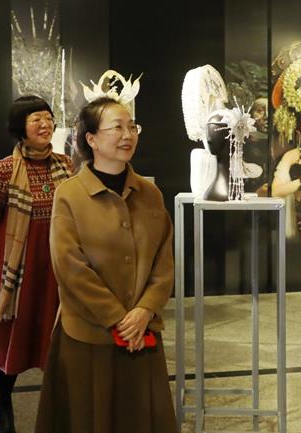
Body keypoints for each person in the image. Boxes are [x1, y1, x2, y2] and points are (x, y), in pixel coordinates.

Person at [34, 96, 177, 433]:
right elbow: (70, 267)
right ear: (92, 139)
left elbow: (164, 262)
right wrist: (117, 318)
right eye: (117, 127)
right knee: (89, 417)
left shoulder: (150, 194)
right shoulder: (70, 194)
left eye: (132, 127)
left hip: (142, 332)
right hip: (88, 334)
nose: (127, 135)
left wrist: (144, 310)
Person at [0, 95, 73, 433]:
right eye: (36, 119)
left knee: (55, 331)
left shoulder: (67, 164)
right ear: (21, 127)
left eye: (48, 117)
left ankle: (58, 406)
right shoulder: (3, 170)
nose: (45, 124)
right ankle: (4, 402)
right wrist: (19, 246)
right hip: (17, 269)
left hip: (58, 265)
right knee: (13, 332)